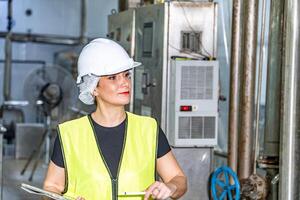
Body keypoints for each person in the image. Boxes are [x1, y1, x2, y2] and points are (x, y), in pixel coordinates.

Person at [43, 38, 187, 200]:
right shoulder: (69, 134)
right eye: (112, 77)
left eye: (126, 75)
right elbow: (51, 187)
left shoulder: (148, 129)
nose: (125, 83)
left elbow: (178, 179)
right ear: (93, 88)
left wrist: (170, 186)